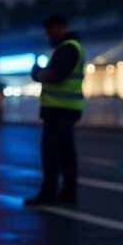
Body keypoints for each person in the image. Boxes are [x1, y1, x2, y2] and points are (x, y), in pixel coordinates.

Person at [25, 14, 85, 206]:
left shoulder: (67, 48)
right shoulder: (70, 47)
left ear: (59, 28)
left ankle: (48, 193)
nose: (48, 36)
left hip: (60, 109)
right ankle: (68, 191)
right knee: (66, 152)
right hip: (66, 108)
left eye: (49, 32)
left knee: (51, 150)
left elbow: (54, 76)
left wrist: (36, 73)